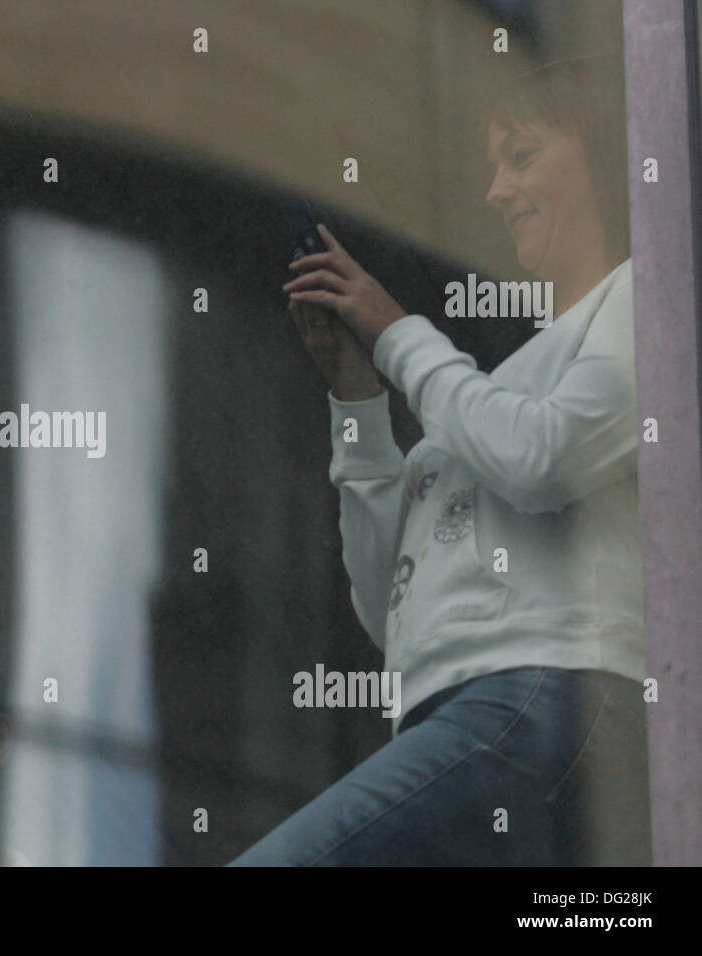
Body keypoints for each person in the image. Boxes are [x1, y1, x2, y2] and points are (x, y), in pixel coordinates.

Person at [231, 57, 650, 865]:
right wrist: (358, 403)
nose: (496, 190)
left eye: (521, 155)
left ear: (604, 156)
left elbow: (541, 456)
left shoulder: (647, 299)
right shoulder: (492, 390)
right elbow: (386, 603)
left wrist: (397, 334)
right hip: (477, 716)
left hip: (544, 696)